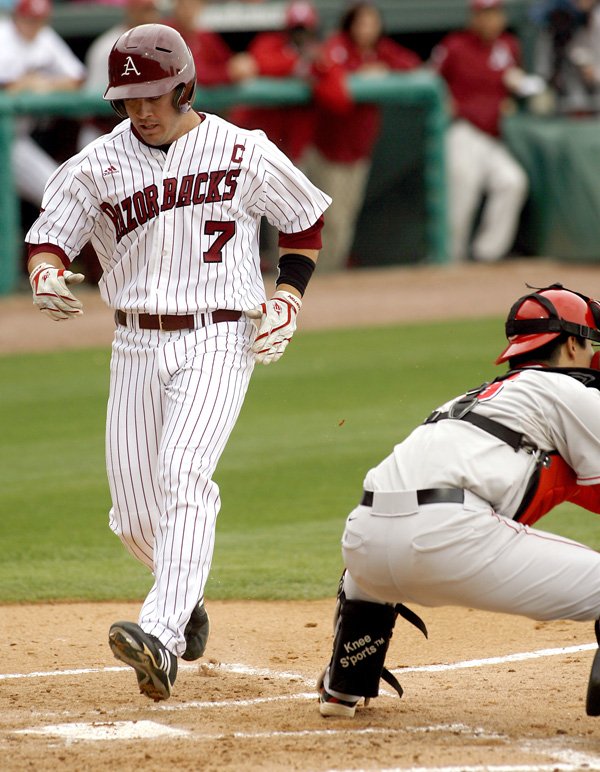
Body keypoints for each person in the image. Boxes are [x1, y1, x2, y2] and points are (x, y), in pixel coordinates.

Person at [25, 23, 330, 702]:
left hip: (220, 335)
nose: (141, 110)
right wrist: (46, 273)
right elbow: (50, 240)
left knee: (184, 472)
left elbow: (304, 224)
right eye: (129, 99)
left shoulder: (243, 150)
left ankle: (160, 635)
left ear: (185, 86)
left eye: (154, 96)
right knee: (134, 514)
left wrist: (288, 297)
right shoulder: (98, 166)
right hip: (134, 342)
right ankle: (182, 592)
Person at [317, 283, 600, 719]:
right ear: (571, 342)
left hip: (362, 548)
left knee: (385, 526)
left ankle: (345, 683)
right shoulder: (567, 392)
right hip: (452, 540)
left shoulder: (473, 398)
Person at [306, 1, 421, 272]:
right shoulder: (337, 46)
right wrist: (360, 75)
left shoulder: (380, 51)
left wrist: (382, 70)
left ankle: (332, 276)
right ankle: (316, 278)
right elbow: (338, 97)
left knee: (345, 220)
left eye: (372, 23)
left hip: (359, 151)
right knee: (326, 221)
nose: (367, 29)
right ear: (351, 24)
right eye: (362, 22)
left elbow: (412, 64)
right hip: (328, 150)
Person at [431, 0, 545, 264]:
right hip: (463, 132)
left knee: (512, 182)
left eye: (496, 13)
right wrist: (445, 100)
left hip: (494, 137)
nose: (492, 20)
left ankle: (486, 255)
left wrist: (518, 88)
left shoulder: (508, 45)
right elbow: (432, 79)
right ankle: (450, 259)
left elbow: (513, 79)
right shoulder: (454, 45)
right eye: (486, 14)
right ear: (475, 17)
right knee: (463, 191)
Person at [0, 0, 85, 207]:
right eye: (28, 19)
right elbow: (7, 86)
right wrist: (30, 82)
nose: (33, 25)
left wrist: (37, 82)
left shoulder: (45, 36)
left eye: (38, 20)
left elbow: (77, 78)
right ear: (16, 17)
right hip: (5, 137)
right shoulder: (3, 35)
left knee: (56, 191)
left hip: (14, 138)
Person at [78, 0, 161, 149]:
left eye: (153, 11)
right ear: (131, 12)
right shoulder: (110, 46)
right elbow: (91, 101)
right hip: (102, 134)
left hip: (137, 134)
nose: (151, 16)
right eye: (146, 10)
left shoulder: (160, 45)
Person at [164, 0, 258, 87]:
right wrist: (227, 74)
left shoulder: (205, 36)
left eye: (193, 4)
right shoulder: (166, 34)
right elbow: (188, 74)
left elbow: (226, 62)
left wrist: (239, 65)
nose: (188, 10)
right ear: (174, 5)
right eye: (183, 5)